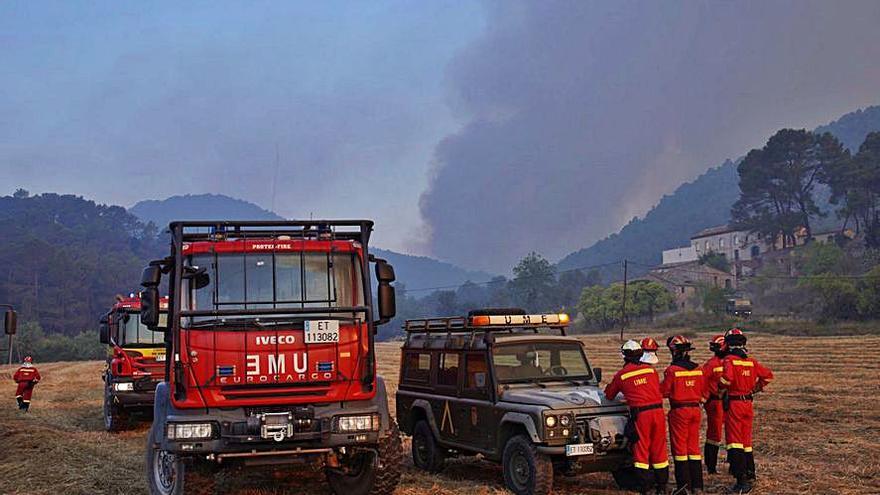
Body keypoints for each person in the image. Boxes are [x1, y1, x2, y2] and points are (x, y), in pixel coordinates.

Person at [605, 340, 669, 495]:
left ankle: (645, 487)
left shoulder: (622, 375)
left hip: (642, 415)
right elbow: (651, 390)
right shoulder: (650, 370)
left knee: (641, 450)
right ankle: (662, 486)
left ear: (624, 356)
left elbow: (609, 394)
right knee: (659, 449)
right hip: (658, 413)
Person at [719, 329, 773, 494]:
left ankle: (741, 481)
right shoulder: (751, 362)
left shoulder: (729, 360)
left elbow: (727, 379)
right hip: (748, 403)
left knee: (735, 442)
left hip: (735, 403)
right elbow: (768, 376)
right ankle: (751, 474)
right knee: (746, 441)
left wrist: (720, 388)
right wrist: (754, 389)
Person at [661, 335, 706, 494]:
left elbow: (664, 391)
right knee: (693, 448)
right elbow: (705, 391)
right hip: (696, 410)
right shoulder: (699, 369)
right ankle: (698, 486)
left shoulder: (672, 370)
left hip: (679, 411)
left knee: (680, 449)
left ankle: (683, 487)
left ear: (674, 352)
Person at [701, 334, 728, 474]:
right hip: (715, 402)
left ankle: (734, 464)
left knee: (732, 434)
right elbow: (702, 382)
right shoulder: (711, 364)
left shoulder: (728, 362)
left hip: (729, 401)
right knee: (714, 434)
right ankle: (711, 467)